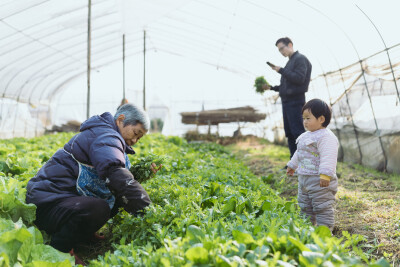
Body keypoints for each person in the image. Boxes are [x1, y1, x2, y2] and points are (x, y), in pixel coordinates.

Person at [26, 103, 162, 264]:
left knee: (117, 194)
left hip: (62, 200)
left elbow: (117, 177)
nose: (134, 140)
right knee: (99, 207)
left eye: (139, 138)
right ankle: (61, 248)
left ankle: (84, 234)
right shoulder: (106, 136)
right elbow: (114, 172)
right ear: (121, 119)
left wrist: (141, 174)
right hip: (45, 205)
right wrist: (148, 210)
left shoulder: (108, 134)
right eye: (135, 133)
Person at [286, 99, 339, 231]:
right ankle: (306, 229)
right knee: (305, 206)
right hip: (304, 179)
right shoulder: (305, 136)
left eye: (308, 118)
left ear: (321, 119)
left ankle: (324, 232)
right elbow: (300, 153)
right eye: (303, 118)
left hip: (319, 180)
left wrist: (326, 175)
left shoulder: (326, 137)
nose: (304, 121)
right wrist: (292, 165)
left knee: (322, 206)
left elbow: (328, 156)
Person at [263, 37, 312, 159]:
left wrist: (281, 70)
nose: (281, 52)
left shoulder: (300, 59)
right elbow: (286, 86)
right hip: (287, 102)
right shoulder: (290, 62)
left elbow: (299, 79)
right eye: (279, 50)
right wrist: (271, 88)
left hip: (296, 101)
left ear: (290, 45)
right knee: (290, 132)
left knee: (297, 132)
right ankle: (293, 162)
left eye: (282, 49)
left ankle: (304, 162)